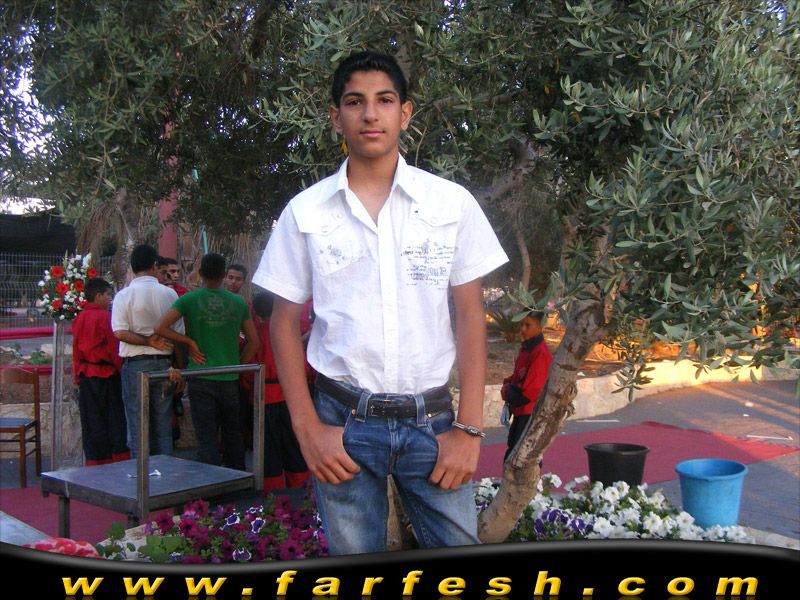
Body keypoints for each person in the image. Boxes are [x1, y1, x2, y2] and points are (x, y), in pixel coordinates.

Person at [252, 50, 509, 555]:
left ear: (405, 113)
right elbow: (282, 323)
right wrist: (307, 429)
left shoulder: (450, 204)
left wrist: (469, 430)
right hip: (340, 422)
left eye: (384, 100)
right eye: (355, 102)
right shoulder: (305, 212)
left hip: (434, 422)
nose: (370, 114)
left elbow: (469, 315)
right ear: (336, 117)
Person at [155, 253, 259, 470]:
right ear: (224, 275)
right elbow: (254, 342)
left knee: (206, 434)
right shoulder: (239, 303)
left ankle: (210, 483)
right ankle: (238, 480)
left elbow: (160, 328)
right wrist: (238, 366)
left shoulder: (188, 300)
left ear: (200, 273)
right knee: (233, 433)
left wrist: (189, 342)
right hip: (230, 377)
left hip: (200, 376)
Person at [111, 244, 183, 458]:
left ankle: (141, 473)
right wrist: (180, 368)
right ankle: (165, 473)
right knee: (163, 426)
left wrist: (147, 341)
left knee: (137, 425)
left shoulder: (124, 295)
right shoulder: (170, 294)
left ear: (132, 268)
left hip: (135, 366)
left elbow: (120, 332)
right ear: (155, 265)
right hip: (164, 365)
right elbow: (179, 335)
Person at [248, 291, 310, 492]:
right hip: (289, 395)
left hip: (263, 396)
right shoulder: (288, 334)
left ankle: (272, 494)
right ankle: (301, 489)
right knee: (294, 444)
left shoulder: (255, 335)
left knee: (269, 447)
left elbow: (249, 369)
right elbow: (304, 366)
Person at [72, 278, 130, 465]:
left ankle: (95, 461)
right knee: (113, 420)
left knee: (91, 421)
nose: (110, 299)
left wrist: (77, 375)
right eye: (107, 295)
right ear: (98, 296)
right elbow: (114, 349)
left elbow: (76, 348)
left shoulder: (80, 317)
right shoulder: (105, 317)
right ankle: (117, 459)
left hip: (86, 375)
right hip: (107, 375)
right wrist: (121, 370)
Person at [501, 311, 553, 461]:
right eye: (521, 325)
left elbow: (530, 391)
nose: (523, 329)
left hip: (529, 412)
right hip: (521, 411)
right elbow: (517, 377)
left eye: (528, 325)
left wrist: (508, 391)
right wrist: (509, 387)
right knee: (515, 449)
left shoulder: (540, 353)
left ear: (540, 327)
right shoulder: (527, 349)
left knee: (522, 454)